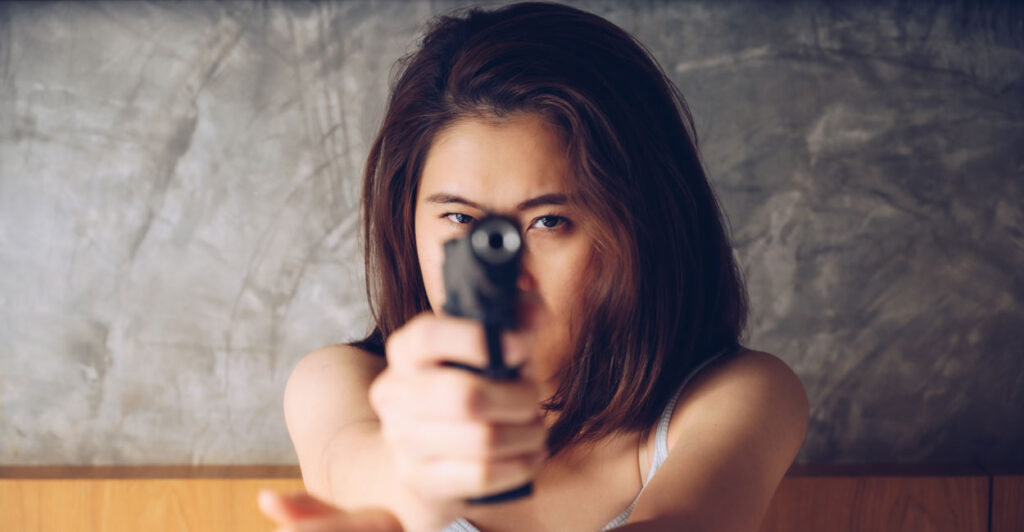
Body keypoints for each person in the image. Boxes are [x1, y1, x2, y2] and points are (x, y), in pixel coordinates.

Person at [259, 2, 809, 531]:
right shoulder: (337, 383)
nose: (499, 274)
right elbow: (355, 470)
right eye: (459, 217)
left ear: (645, 227)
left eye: (549, 221)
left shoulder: (736, 396)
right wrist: (412, 482)